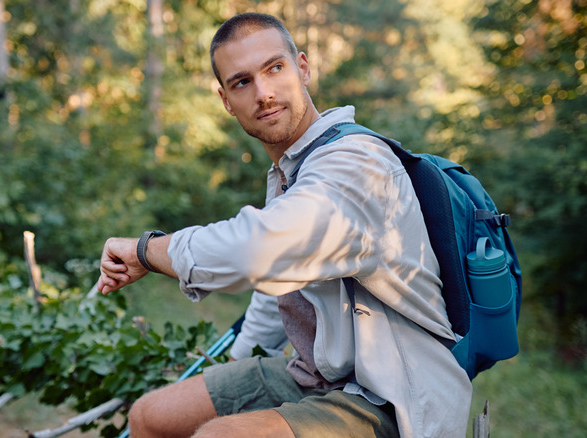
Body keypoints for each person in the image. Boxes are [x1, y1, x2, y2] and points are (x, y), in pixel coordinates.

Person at [96, 12, 472, 438]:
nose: (264, 93)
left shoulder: (355, 165)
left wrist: (149, 251)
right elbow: (280, 289)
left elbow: (257, 252)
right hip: (317, 376)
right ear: (226, 100)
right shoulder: (292, 171)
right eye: (242, 82)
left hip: (393, 396)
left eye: (274, 68)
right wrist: (235, 368)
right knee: (152, 416)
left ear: (304, 68)